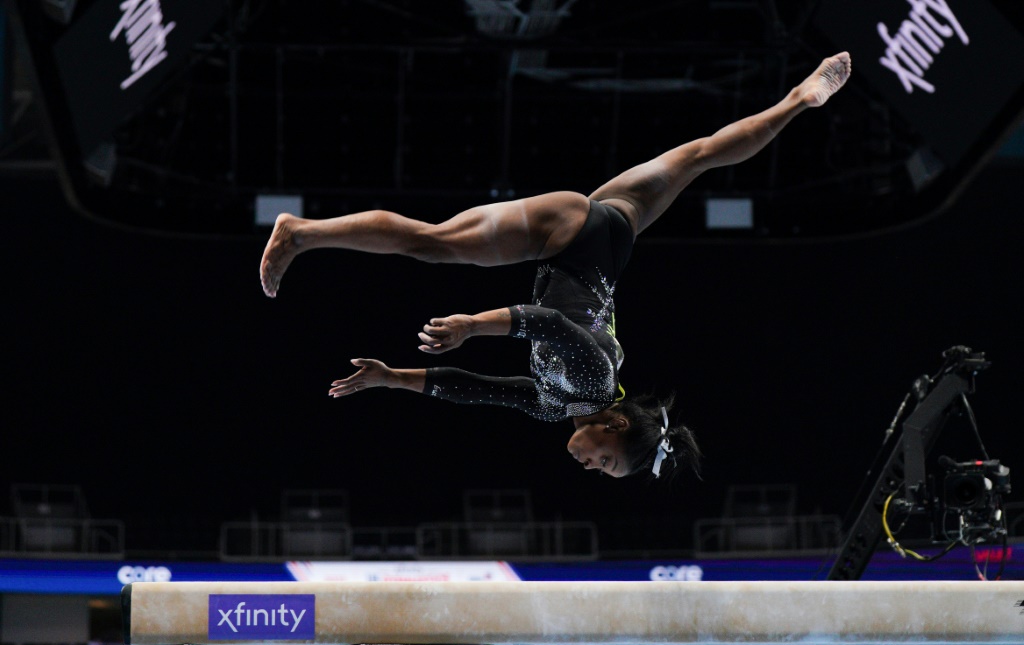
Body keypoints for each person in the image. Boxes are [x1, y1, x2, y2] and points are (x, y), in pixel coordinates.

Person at [259, 52, 852, 482]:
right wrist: (471, 325)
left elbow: (477, 391)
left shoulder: (557, 403)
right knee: (433, 244)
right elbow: (548, 323)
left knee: (699, 156)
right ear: (614, 426)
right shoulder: (595, 381)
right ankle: (302, 233)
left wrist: (392, 377)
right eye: (605, 461)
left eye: (600, 471)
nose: (591, 466)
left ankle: (800, 99)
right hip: (569, 237)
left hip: (610, 237)